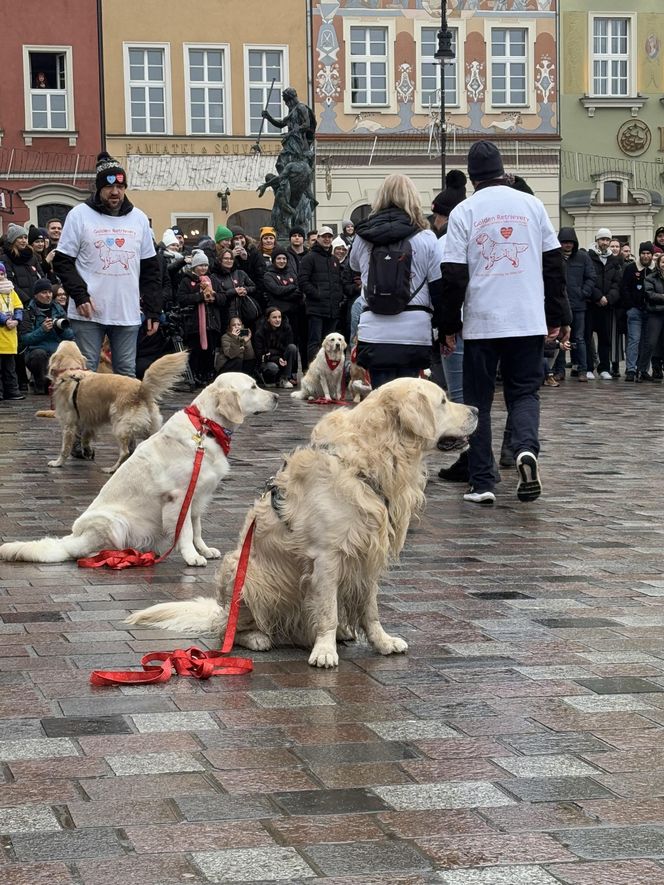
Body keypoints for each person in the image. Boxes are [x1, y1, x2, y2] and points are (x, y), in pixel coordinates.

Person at [440, 140, 570, 506]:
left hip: (483, 323)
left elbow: (452, 275)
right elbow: (553, 263)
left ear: (472, 176)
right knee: (525, 393)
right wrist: (558, 316)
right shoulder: (531, 205)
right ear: (502, 170)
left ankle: (481, 482)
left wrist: (447, 325)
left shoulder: (465, 211)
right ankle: (526, 449)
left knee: (478, 401)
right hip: (527, 318)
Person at [52, 152, 162, 376]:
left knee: (126, 374)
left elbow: (151, 269)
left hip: (126, 311)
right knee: (85, 373)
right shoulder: (79, 215)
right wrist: (80, 295)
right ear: (99, 188)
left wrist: (153, 310)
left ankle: (122, 414)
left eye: (120, 187)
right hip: (88, 312)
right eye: (109, 187)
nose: (115, 192)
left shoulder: (139, 218)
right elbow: (63, 261)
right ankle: (87, 413)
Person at [350, 175, 442, 388]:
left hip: (375, 330)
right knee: (408, 398)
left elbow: (354, 266)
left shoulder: (363, 237)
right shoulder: (426, 238)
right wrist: (444, 327)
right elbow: (438, 286)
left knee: (382, 400)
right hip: (414, 331)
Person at [176, 249, 226, 385]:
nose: (203, 268)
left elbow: (223, 298)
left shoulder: (213, 280)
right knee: (195, 352)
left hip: (212, 323)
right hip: (195, 324)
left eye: (205, 265)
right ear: (194, 267)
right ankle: (195, 375)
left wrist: (214, 296)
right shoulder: (187, 281)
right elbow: (181, 298)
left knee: (209, 352)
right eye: (200, 265)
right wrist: (200, 297)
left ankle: (207, 374)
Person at [552, 227, 596, 383]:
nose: (567, 245)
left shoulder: (583, 258)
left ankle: (582, 370)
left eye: (570, 242)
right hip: (559, 304)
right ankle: (559, 370)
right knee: (560, 339)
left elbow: (591, 277)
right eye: (564, 242)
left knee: (579, 337)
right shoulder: (554, 257)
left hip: (578, 305)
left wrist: (583, 293)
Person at [19, 278, 75, 394]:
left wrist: (60, 330)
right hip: (37, 353)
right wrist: (42, 330)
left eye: (49, 292)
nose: (48, 295)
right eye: (44, 292)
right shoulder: (28, 312)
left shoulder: (59, 310)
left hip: (57, 352)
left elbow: (70, 335)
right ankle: (40, 383)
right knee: (39, 354)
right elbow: (25, 339)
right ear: (36, 295)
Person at [299, 226, 346, 362]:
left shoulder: (334, 260)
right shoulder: (309, 258)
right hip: (316, 309)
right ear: (318, 238)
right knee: (315, 342)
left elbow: (338, 282)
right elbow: (303, 281)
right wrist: (317, 294)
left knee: (331, 345)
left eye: (329, 237)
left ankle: (329, 372)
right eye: (323, 236)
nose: (326, 239)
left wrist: (339, 298)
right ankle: (313, 372)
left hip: (333, 309)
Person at [585, 227, 623, 380]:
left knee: (605, 338)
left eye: (607, 240)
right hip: (590, 303)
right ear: (597, 240)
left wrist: (608, 298)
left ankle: (604, 368)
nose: (605, 243)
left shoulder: (615, 260)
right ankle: (588, 367)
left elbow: (617, 283)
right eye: (602, 239)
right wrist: (598, 296)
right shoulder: (588, 257)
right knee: (587, 336)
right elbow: (588, 279)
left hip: (607, 305)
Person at [621, 241, 656, 381]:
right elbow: (624, 288)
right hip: (635, 310)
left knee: (647, 342)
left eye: (648, 253)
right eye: (643, 253)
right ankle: (630, 369)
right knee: (634, 340)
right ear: (640, 254)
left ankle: (643, 369)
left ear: (652, 255)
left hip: (652, 311)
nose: (645, 256)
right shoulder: (631, 268)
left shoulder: (655, 270)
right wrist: (630, 305)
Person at [263, 246, 302, 356]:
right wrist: (291, 288)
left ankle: (293, 371)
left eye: (284, 259)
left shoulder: (292, 274)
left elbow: (299, 291)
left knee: (293, 344)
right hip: (278, 315)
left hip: (293, 314)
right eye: (279, 258)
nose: (282, 261)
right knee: (279, 343)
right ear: (274, 260)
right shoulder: (268, 275)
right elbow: (276, 290)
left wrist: (282, 294)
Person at [253, 306, 298, 388]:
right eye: (274, 317)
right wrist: (277, 358)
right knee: (273, 368)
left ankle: (285, 378)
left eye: (279, 317)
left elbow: (288, 348)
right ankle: (270, 379)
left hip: (282, 358)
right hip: (268, 360)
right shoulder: (260, 332)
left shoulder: (286, 328)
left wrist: (275, 353)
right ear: (268, 319)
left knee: (292, 348)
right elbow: (260, 355)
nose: (278, 320)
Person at [215, 248, 260, 330]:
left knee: (243, 339)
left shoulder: (240, 273)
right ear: (220, 260)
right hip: (225, 316)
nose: (229, 261)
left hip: (243, 314)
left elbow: (253, 287)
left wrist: (245, 290)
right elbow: (217, 296)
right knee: (228, 340)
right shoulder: (215, 276)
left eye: (231, 258)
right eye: (226, 258)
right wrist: (234, 291)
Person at [0, 262, 25, 400]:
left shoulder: (11, 290)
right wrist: (4, 320)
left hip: (10, 335)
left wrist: (17, 319)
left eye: (2, 273)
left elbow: (18, 306)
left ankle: (12, 391)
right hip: (2, 331)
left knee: (10, 367)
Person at [638, 252, 664, 382]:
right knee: (650, 343)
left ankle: (658, 368)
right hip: (655, 313)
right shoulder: (650, 278)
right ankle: (642, 370)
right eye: (663, 262)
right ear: (658, 264)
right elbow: (649, 294)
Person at [332, 236, 361, 345]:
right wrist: (357, 287)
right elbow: (346, 286)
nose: (341, 251)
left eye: (343, 249)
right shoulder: (350, 266)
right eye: (338, 249)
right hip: (346, 302)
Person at [230, 228, 265, 304]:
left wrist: (246, 259)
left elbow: (260, 275)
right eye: (236, 238)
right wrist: (231, 257)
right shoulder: (228, 253)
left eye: (241, 237)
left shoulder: (254, 252)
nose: (239, 241)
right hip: (234, 294)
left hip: (253, 293)